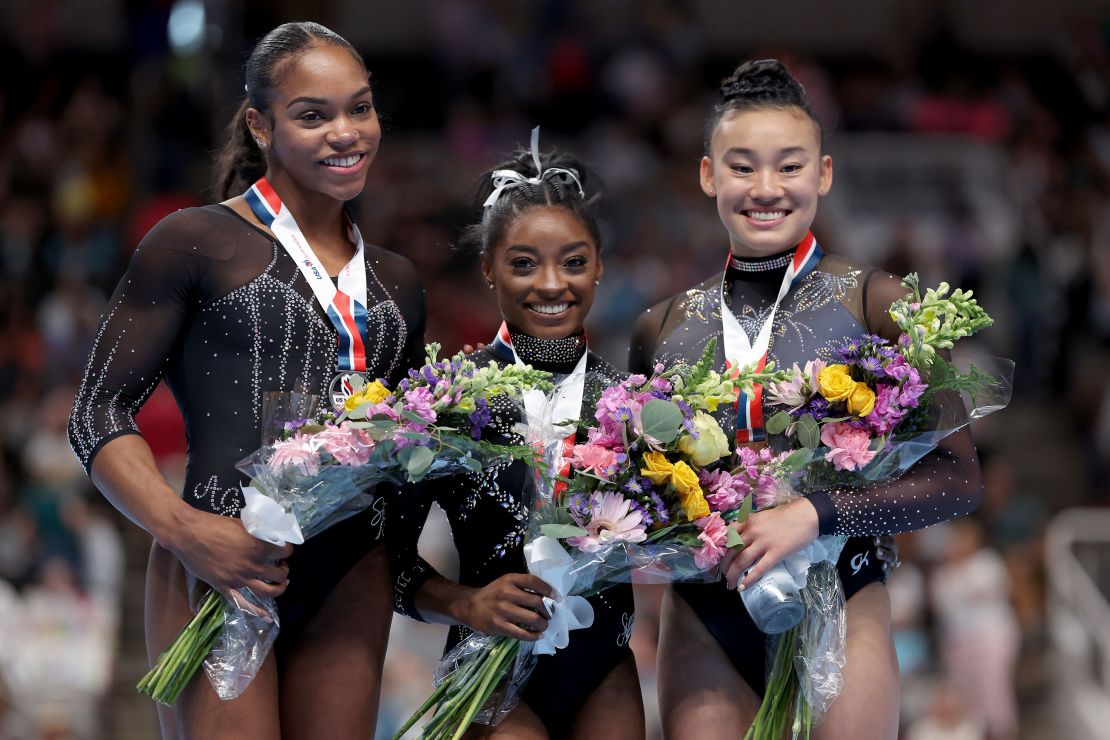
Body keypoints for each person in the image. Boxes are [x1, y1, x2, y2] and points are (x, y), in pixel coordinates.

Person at [67, 22, 425, 738]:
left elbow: (405, 464)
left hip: (351, 581)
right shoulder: (196, 241)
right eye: (313, 114)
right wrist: (184, 530)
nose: (345, 132)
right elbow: (96, 412)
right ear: (259, 124)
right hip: (218, 563)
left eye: (360, 108)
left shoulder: (397, 282)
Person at [629, 59, 983, 739]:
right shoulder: (664, 325)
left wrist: (816, 514)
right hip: (707, 611)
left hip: (845, 595)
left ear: (823, 173)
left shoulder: (878, 302)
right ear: (708, 175)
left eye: (789, 166)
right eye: (742, 167)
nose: (766, 188)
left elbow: (959, 481)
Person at [389, 137, 645, 739]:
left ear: (600, 265)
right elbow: (387, 559)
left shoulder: (638, 406)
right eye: (524, 263)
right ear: (488, 269)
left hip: (604, 667)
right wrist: (464, 603)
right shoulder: (450, 402)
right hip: (487, 665)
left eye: (574, 262)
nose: (552, 284)